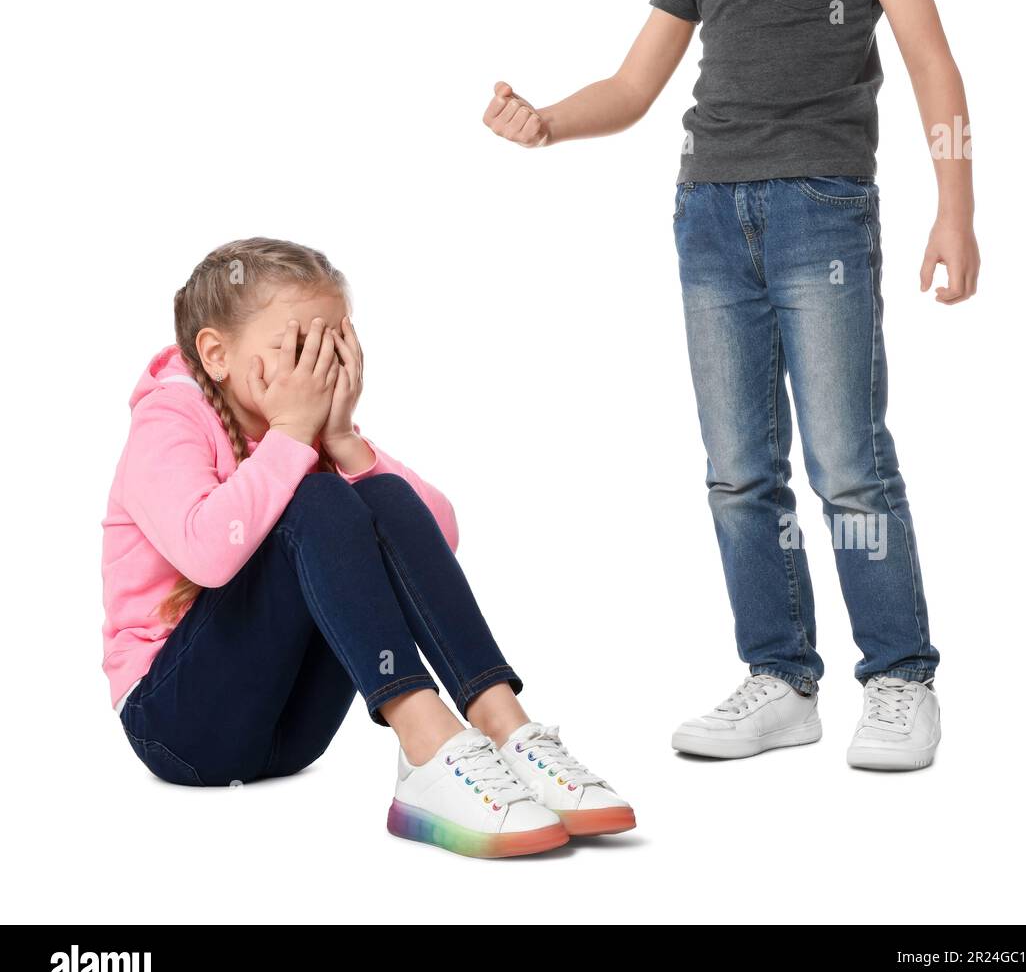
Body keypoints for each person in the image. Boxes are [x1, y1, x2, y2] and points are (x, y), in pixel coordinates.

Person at [483, 0, 979, 772]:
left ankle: (898, 678)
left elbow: (935, 65)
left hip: (821, 214)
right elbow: (632, 85)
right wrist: (547, 120)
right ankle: (780, 679)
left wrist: (955, 208)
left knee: (848, 461)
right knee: (737, 470)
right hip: (709, 219)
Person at [101, 236, 636, 857]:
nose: (318, 367)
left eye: (333, 345)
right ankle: (427, 741)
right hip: (180, 726)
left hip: (294, 732)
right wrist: (295, 436)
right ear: (217, 355)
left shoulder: (305, 431)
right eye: (296, 348)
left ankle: (502, 723)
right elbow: (207, 555)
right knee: (319, 499)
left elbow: (437, 536)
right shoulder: (171, 420)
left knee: (373, 495)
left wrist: (345, 440)